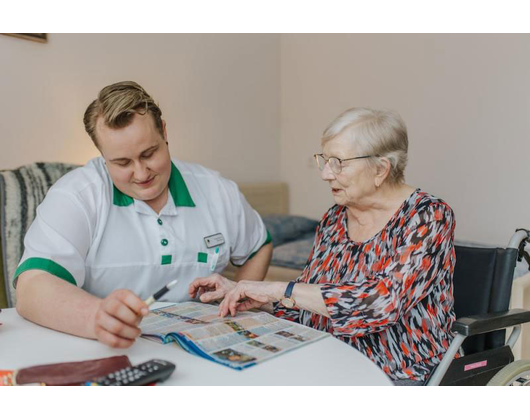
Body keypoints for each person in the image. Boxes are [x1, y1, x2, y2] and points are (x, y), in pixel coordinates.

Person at [189, 107, 457, 385]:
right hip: (331, 360)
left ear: (380, 169)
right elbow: (310, 302)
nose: (326, 174)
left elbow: (382, 303)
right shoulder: (335, 218)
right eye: (325, 160)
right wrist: (257, 297)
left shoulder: (429, 216)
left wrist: (280, 289)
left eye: (338, 163)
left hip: (399, 370)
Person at [15, 81, 272, 349]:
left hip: (203, 345)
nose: (141, 174)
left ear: (163, 131)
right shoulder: (76, 195)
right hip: (104, 347)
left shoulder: (217, 190)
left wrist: (238, 297)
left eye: (149, 154)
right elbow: (32, 287)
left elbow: (258, 246)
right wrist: (95, 316)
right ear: (103, 155)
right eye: (122, 163)